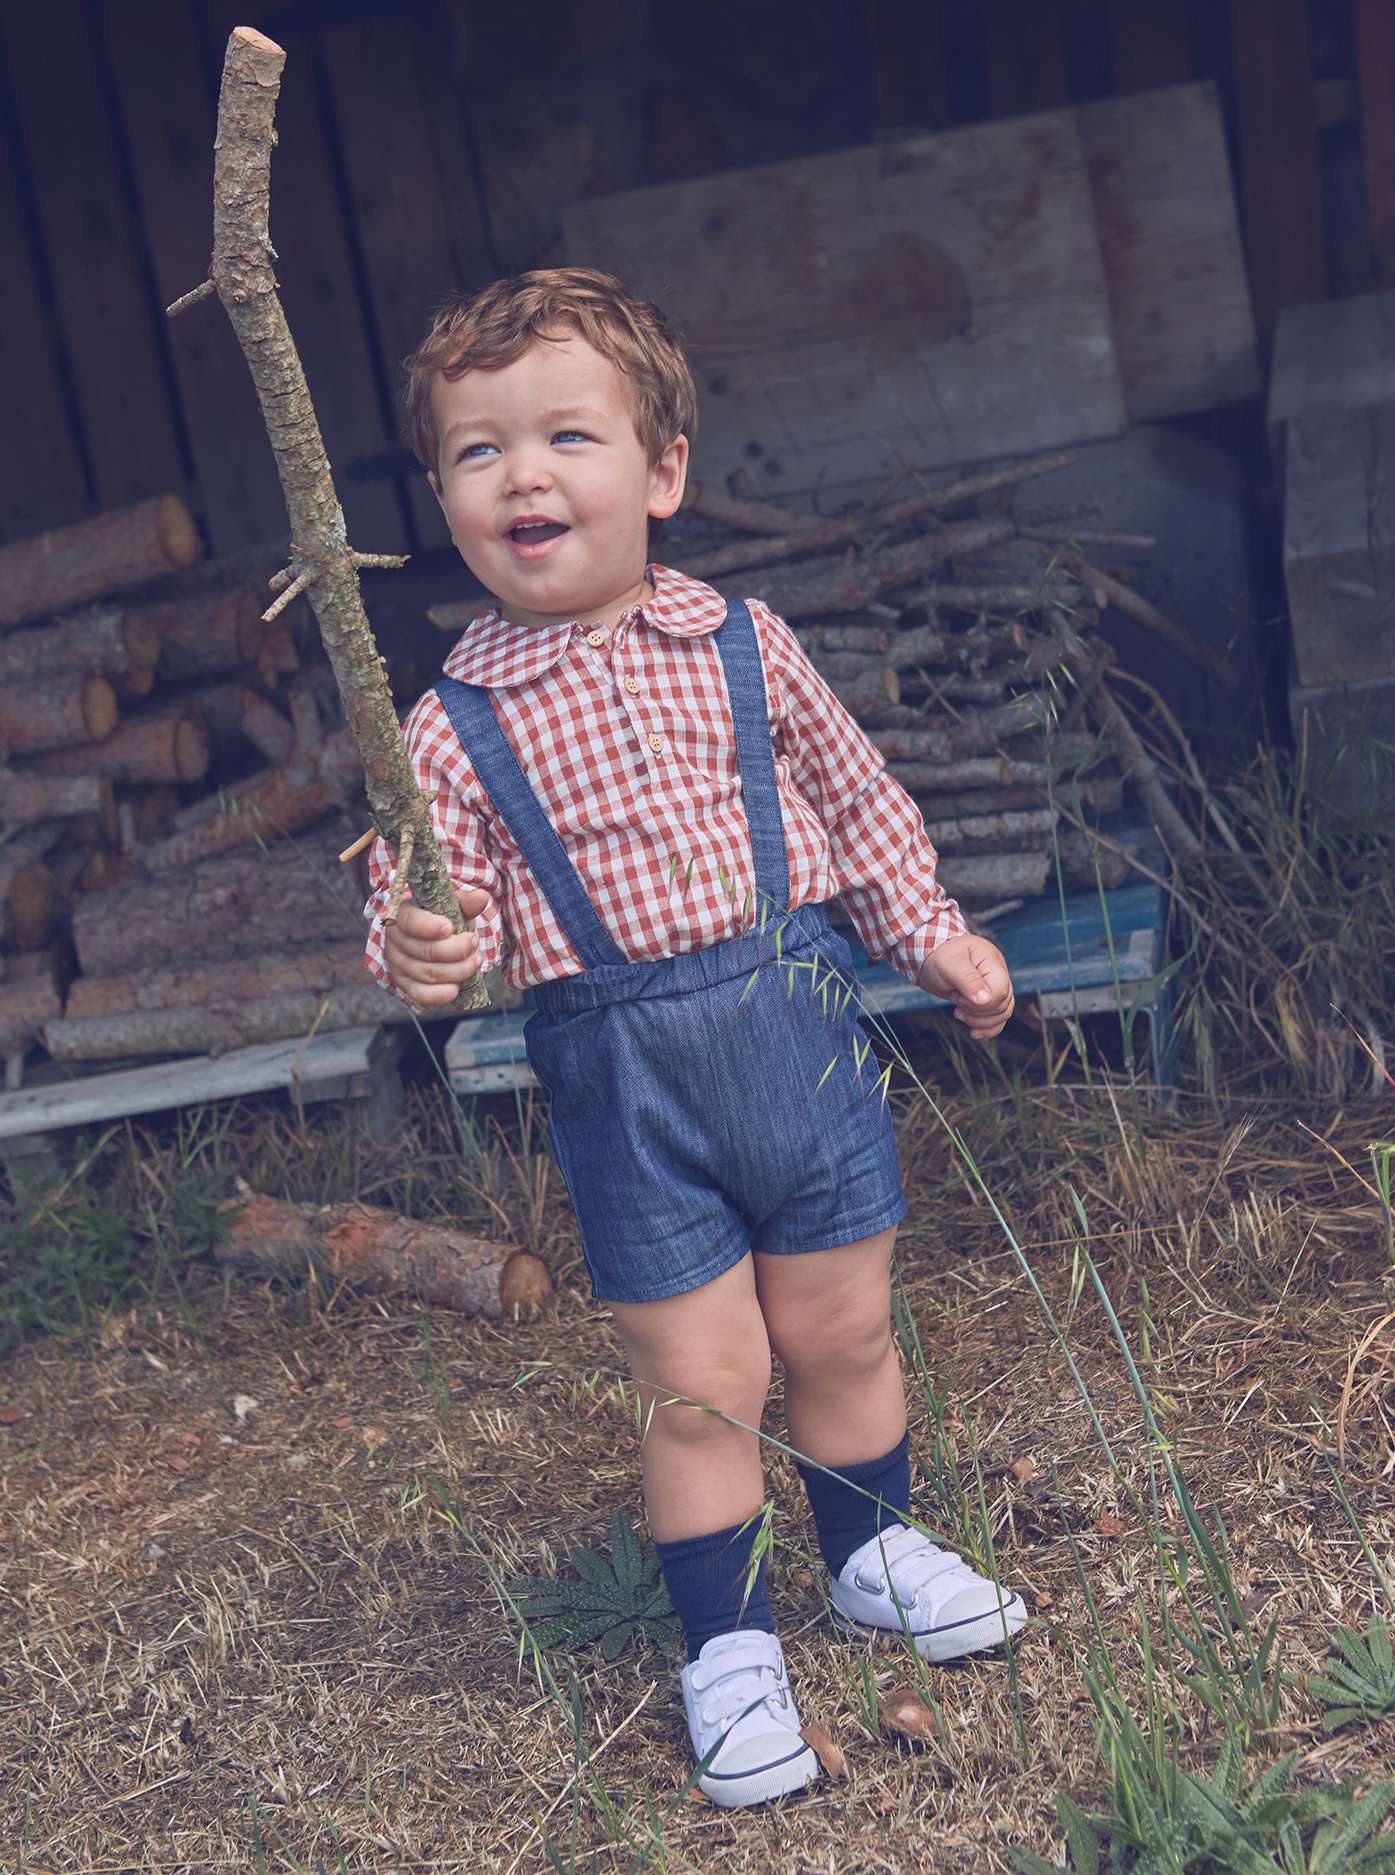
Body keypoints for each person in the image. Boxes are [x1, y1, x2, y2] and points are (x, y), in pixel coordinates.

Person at [363, 268, 1027, 1809]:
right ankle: (727, 1647)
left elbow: (858, 810)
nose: (524, 475)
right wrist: (421, 947)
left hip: (795, 1036)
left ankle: (873, 1552)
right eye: (478, 451)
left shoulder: (745, 644)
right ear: (447, 498)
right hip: (626, 1087)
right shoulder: (450, 725)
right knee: (706, 1378)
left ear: (661, 474)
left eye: (567, 437)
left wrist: (934, 934)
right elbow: (421, 928)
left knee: (843, 1329)